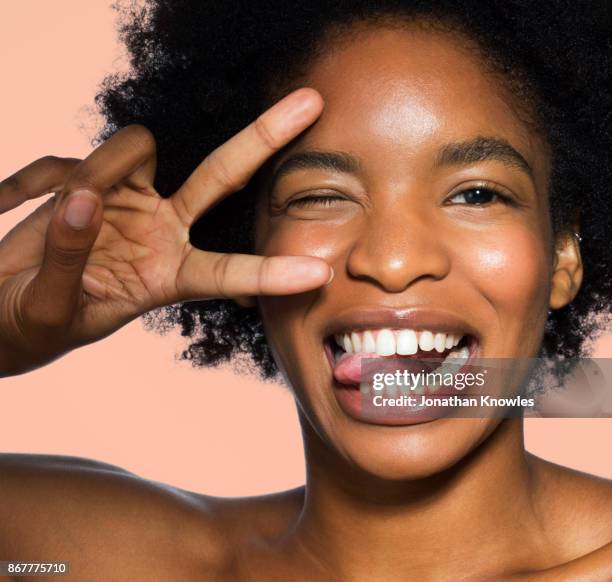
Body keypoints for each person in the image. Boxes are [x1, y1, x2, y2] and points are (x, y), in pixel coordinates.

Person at [1, 1, 611, 579]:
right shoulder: (83, 562)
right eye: (321, 196)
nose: (393, 262)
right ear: (242, 245)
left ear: (562, 254)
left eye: (477, 194)